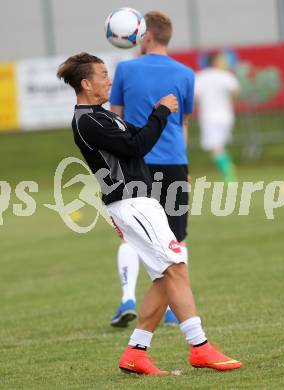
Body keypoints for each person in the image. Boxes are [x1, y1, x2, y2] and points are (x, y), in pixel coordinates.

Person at [57, 52, 242, 375]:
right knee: (176, 268)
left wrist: (158, 117)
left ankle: (136, 353)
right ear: (86, 83)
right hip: (131, 203)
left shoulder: (101, 116)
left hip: (140, 202)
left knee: (163, 278)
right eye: (103, 75)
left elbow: (138, 139)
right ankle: (199, 347)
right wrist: (161, 111)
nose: (109, 80)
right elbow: (137, 146)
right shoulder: (87, 121)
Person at [109, 11, 194, 326]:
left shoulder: (125, 70)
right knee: (176, 237)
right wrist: (184, 166)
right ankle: (173, 307)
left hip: (135, 163)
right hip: (173, 162)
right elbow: (183, 124)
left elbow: (115, 119)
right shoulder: (186, 73)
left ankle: (127, 299)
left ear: (144, 36)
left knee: (131, 236)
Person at [195, 51, 240, 182]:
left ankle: (229, 172)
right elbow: (236, 92)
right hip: (226, 116)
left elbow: (195, 97)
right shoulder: (226, 75)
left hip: (209, 117)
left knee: (216, 148)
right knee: (220, 146)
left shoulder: (200, 77)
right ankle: (228, 169)